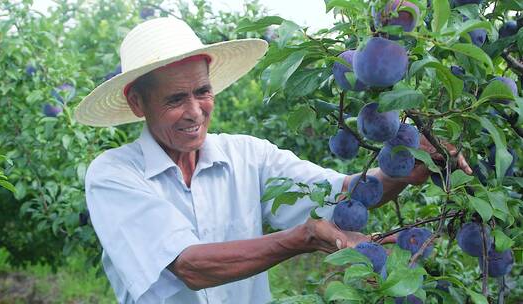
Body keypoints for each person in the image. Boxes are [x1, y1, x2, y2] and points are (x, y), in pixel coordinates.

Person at [75, 17, 472, 304]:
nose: (196, 112)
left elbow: (339, 195)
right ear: (136, 102)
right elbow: (189, 266)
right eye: (175, 99)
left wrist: (404, 163)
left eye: (202, 91)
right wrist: (303, 238)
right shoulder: (113, 175)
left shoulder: (248, 154)